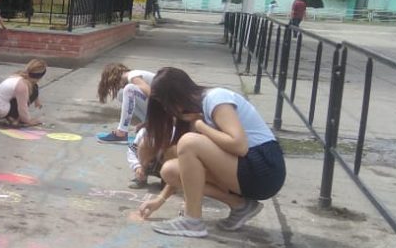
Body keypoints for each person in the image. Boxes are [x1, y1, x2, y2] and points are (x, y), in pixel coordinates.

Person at [137, 67, 286, 238]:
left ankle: (192, 221)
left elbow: (239, 145)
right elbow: (189, 169)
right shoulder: (195, 113)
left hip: (264, 169)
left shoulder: (216, 99)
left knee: (187, 142)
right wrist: (160, 199)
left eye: (167, 105)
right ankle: (241, 206)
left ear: (177, 97)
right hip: (243, 168)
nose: (168, 111)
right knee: (170, 171)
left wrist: (200, 126)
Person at [96, 63, 155, 143]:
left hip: (169, 111)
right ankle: (151, 125)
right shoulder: (133, 76)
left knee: (129, 89)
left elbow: (151, 93)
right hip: (164, 110)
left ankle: (121, 133)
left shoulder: (131, 75)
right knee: (121, 94)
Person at [0, 58, 46, 126]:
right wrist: (28, 121)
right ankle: (13, 117)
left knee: (34, 89)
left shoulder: (22, 76)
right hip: (0, 109)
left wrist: (37, 100)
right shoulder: (22, 85)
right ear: (40, 77)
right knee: (32, 92)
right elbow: (22, 107)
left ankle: (12, 116)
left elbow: (34, 85)